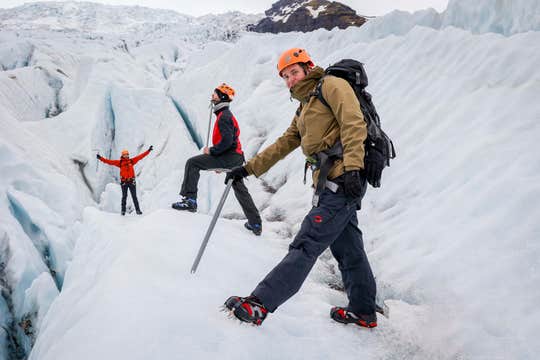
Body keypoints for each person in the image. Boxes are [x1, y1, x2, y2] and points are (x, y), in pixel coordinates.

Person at [223, 48, 378, 328]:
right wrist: (248, 169)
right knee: (349, 249)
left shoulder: (332, 85)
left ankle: (260, 304)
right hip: (330, 180)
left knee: (306, 243)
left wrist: (355, 168)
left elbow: (354, 123)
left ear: (308, 67)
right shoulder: (306, 104)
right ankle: (363, 311)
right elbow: (285, 142)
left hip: (344, 179)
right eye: (285, 76)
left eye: (293, 72)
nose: (290, 80)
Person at [171, 83, 263, 236]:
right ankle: (255, 222)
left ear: (222, 97)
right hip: (236, 157)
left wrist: (212, 151)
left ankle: (190, 200)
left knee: (192, 163)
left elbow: (227, 142)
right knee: (238, 186)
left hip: (231, 157)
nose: (212, 97)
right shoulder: (225, 115)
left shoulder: (224, 117)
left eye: (215, 95)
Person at [97, 146, 152, 216]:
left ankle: (138, 210)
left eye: (127, 154)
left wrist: (148, 151)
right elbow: (109, 162)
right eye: (125, 154)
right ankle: (123, 211)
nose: (126, 155)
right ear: (122, 155)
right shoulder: (119, 163)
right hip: (124, 182)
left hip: (132, 181)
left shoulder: (132, 161)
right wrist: (100, 158)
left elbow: (140, 157)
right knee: (124, 197)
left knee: (134, 196)